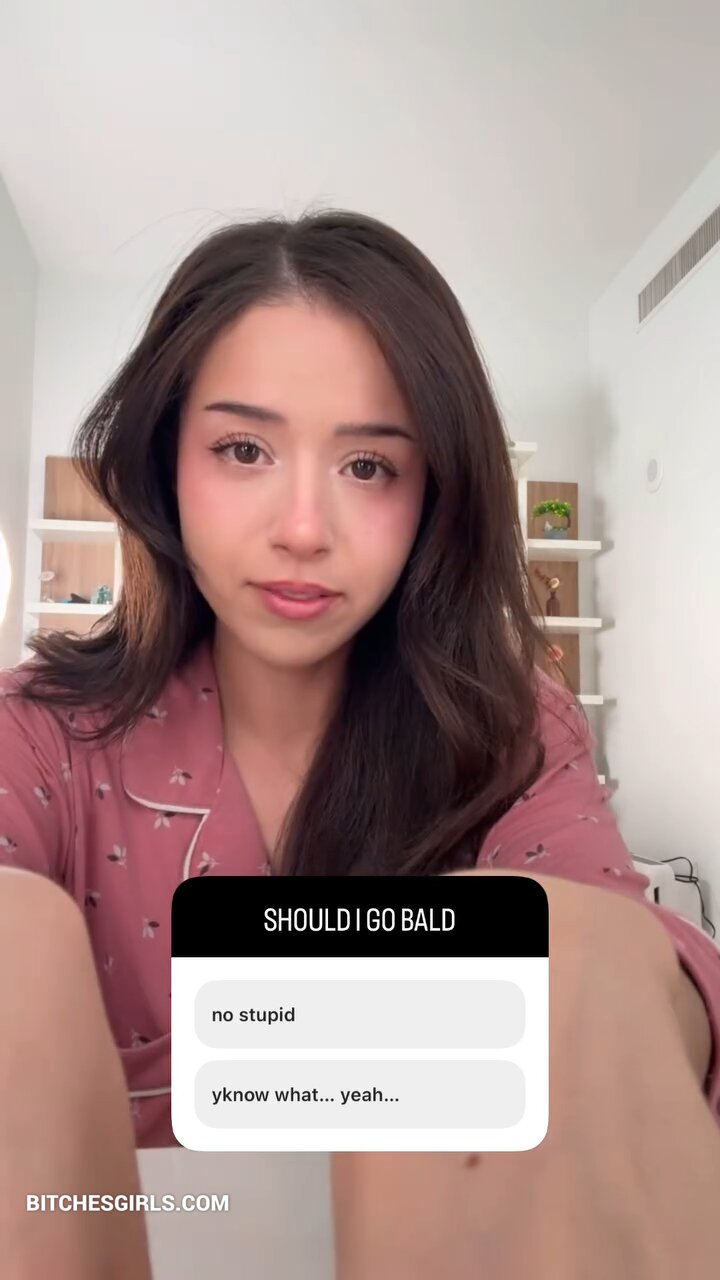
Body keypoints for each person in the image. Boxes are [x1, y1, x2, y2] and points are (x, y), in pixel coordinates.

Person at [1, 209, 719, 1279]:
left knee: (539, 955)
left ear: (435, 494)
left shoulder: (512, 726)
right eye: (243, 449)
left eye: (371, 466)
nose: (304, 528)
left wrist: (606, 990)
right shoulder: (40, 731)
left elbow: (628, 970)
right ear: (166, 464)